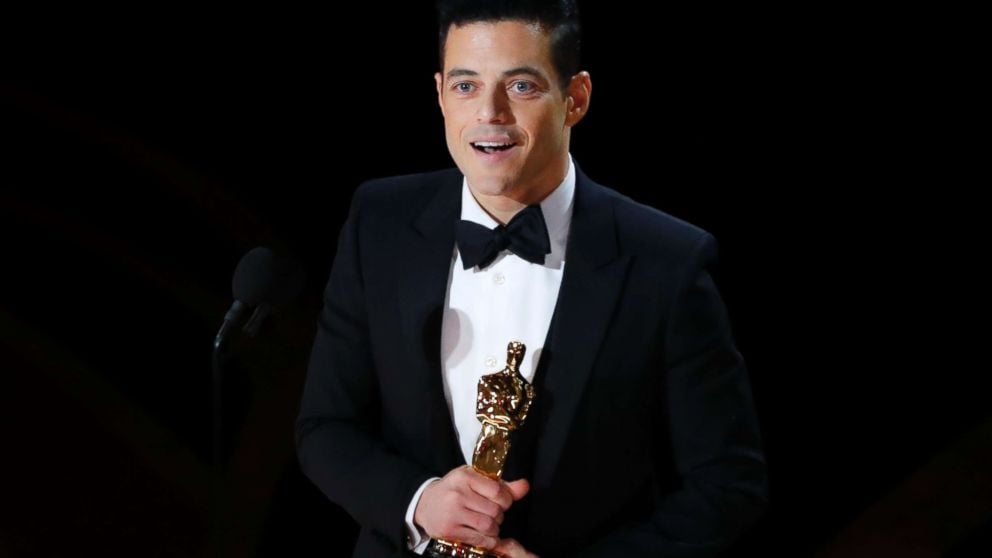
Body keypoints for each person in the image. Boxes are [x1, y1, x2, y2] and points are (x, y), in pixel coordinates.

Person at [295, 1, 768, 556]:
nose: (489, 113)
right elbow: (325, 427)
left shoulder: (667, 262)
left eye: (521, 86)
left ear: (576, 98)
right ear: (440, 94)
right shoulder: (380, 222)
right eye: (466, 86)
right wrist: (417, 501)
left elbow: (727, 486)